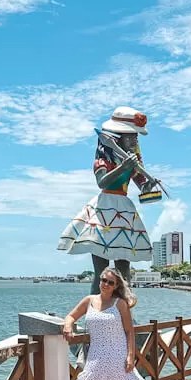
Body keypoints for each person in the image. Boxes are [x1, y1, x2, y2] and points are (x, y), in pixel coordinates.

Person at [62, 266, 174, 380]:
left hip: (117, 354)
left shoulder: (119, 303)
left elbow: (129, 331)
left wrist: (130, 356)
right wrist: (68, 326)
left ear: (116, 286)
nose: (105, 284)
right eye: (103, 280)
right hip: (96, 354)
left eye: (110, 282)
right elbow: (71, 316)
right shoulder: (89, 300)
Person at [57, 107, 158, 295]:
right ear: (118, 138)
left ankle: (124, 305)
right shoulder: (103, 160)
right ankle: (95, 305)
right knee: (101, 271)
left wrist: (149, 185)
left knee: (124, 269)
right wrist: (123, 168)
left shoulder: (132, 162)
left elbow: (142, 187)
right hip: (104, 210)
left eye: (136, 137)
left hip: (124, 210)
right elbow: (102, 182)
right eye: (131, 137)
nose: (135, 141)